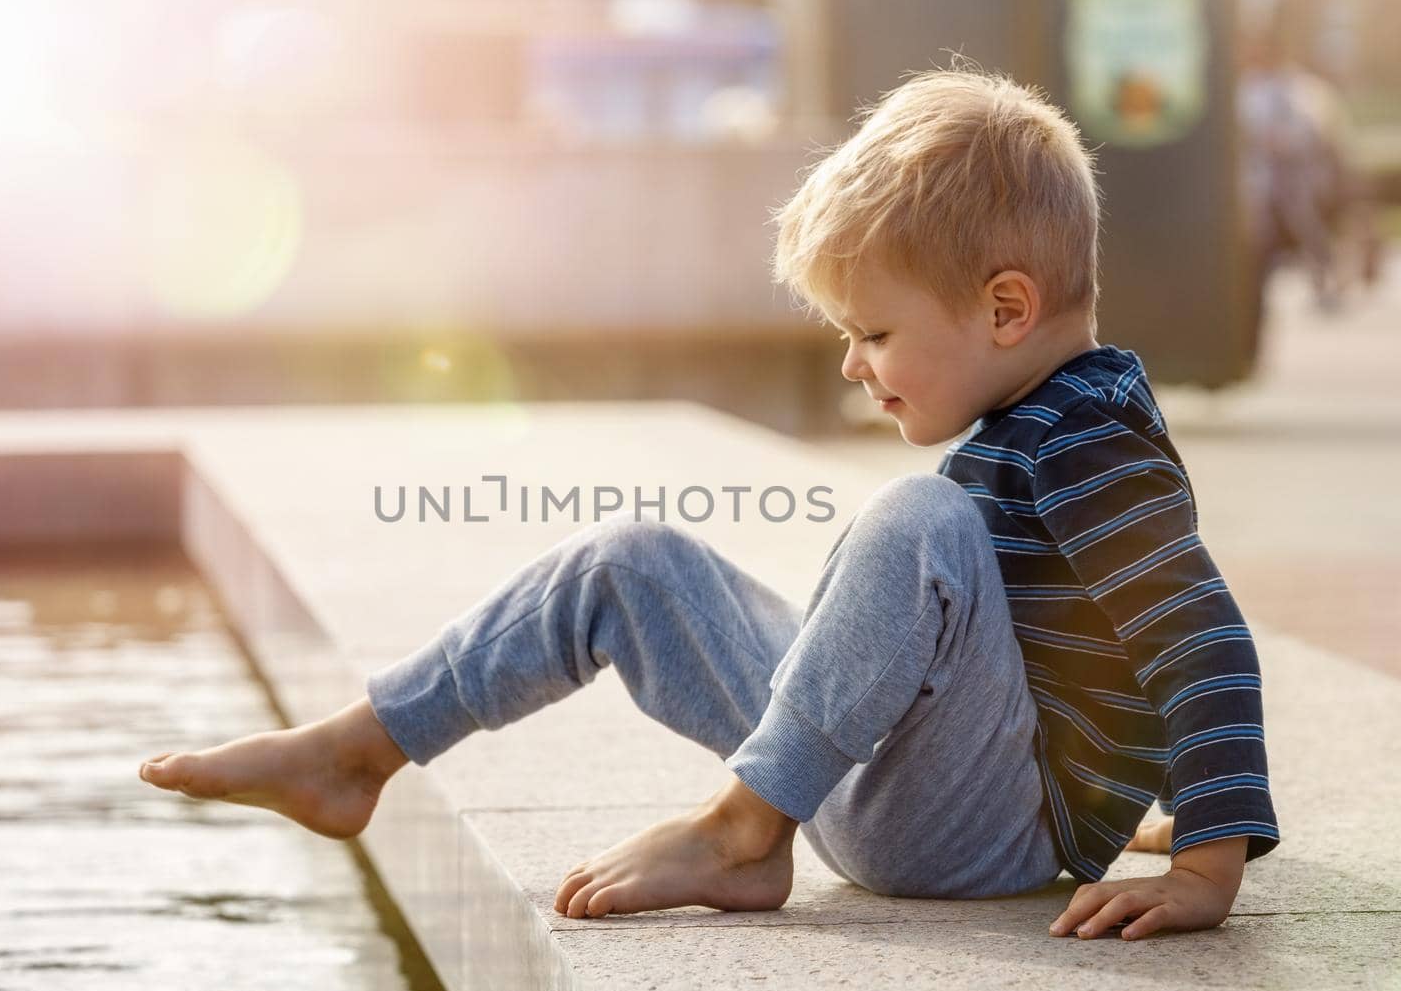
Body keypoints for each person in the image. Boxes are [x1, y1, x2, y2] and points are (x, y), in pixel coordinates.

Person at [138, 63, 1279, 941]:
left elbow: (1199, 635)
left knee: (920, 522)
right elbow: (1085, 631)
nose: (852, 365)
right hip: (887, 781)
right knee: (631, 559)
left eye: (873, 333)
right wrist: (1150, 784)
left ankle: (742, 830)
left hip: (976, 835)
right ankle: (357, 750)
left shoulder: (1091, 434)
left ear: (1004, 309)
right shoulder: (1047, 412)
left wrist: (1205, 865)